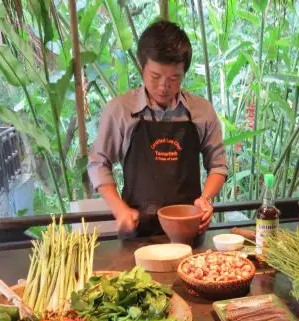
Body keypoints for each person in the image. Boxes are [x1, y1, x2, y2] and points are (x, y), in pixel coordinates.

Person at [88, 20, 228, 237]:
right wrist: (120, 210)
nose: (164, 86)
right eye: (155, 77)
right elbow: (98, 163)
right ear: (142, 67)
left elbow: (218, 166)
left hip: (190, 229)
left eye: (174, 78)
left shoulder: (202, 111)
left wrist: (206, 199)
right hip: (138, 230)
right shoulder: (120, 110)